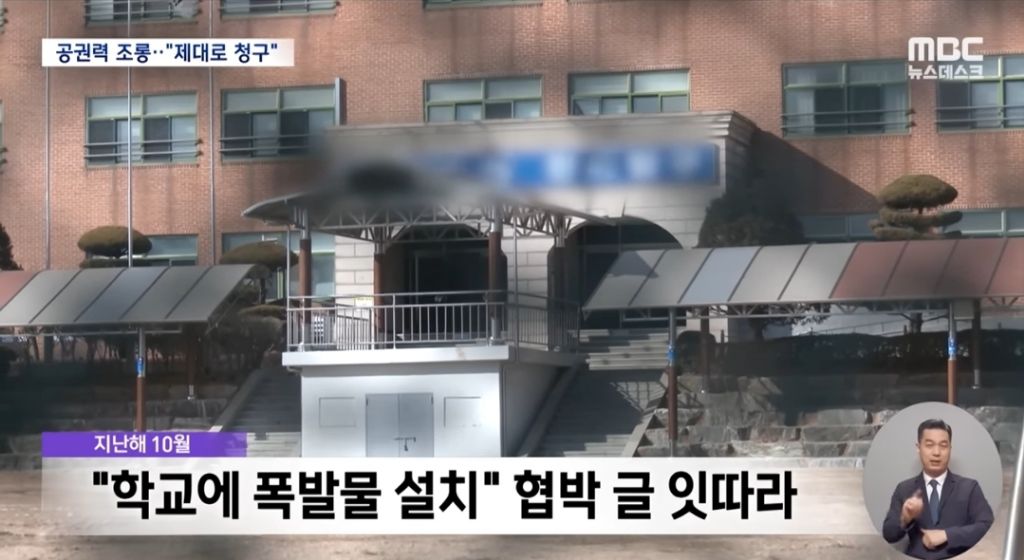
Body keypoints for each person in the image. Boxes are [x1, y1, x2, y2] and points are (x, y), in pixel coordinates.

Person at [882, 419, 994, 559]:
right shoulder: (904, 488)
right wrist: (905, 518)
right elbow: (889, 535)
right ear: (918, 448)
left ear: (950, 449)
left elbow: (986, 527)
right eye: (929, 445)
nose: (936, 452)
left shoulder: (969, 487)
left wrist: (947, 535)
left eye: (943, 446)